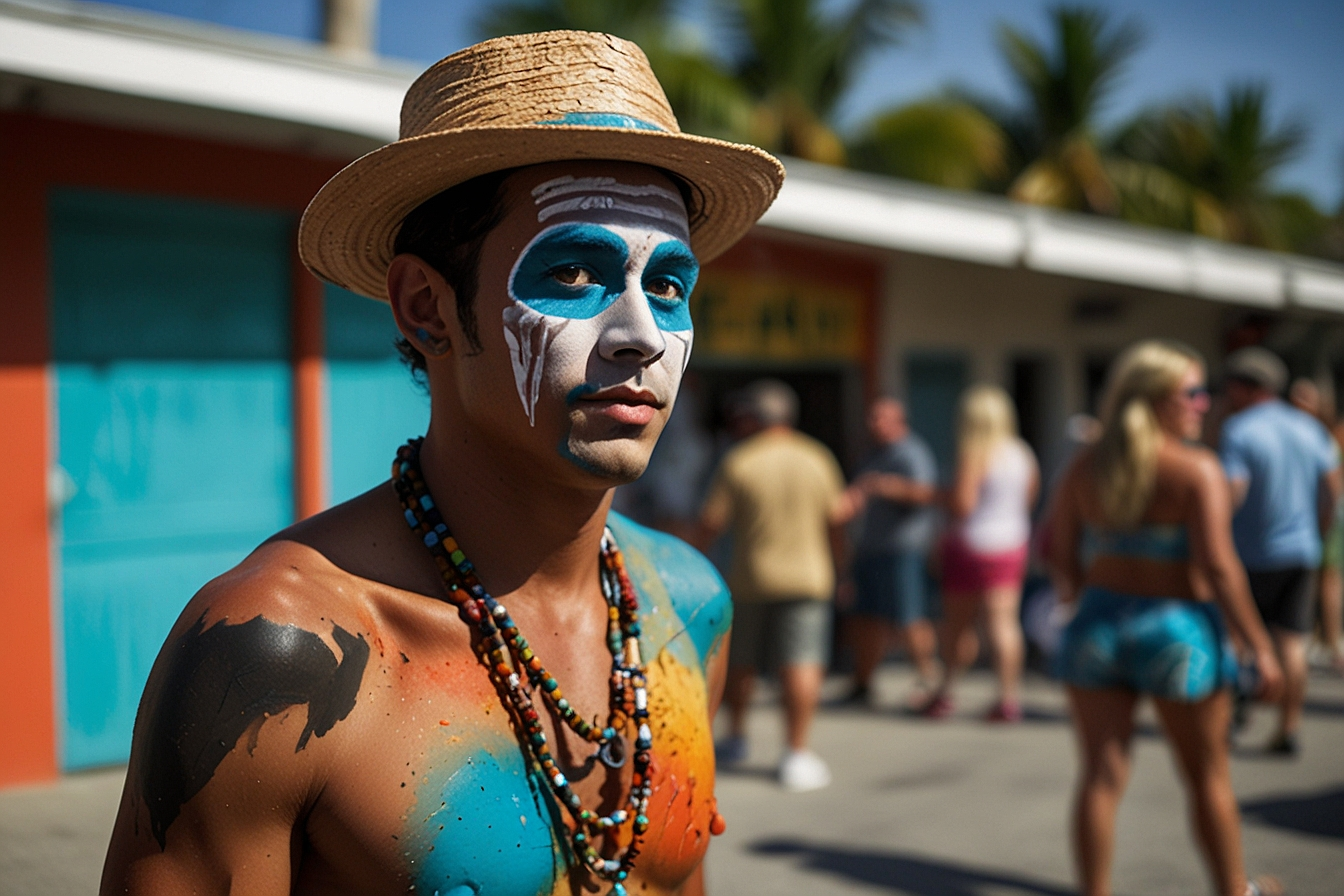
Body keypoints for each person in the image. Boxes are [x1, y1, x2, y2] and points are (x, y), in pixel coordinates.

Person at [101, 31, 785, 896]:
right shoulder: (279, 654)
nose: (642, 337)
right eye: (574, 273)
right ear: (427, 306)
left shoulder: (686, 606)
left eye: (671, 286)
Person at [1049, 340, 1284, 896]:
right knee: (1207, 778)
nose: (1204, 404)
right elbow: (1219, 566)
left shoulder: (1085, 465)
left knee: (1100, 778)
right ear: (1157, 399)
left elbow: (1059, 552)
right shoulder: (1195, 469)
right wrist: (1259, 645)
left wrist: (1090, 594)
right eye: (1194, 393)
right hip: (1180, 631)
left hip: (1098, 625)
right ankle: (1234, 890)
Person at [697, 379, 847, 792]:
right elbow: (837, 522)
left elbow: (710, 523)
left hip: (750, 577)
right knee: (802, 661)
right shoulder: (818, 458)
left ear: (754, 419)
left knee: (741, 661)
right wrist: (843, 569)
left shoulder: (739, 461)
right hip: (809, 577)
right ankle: (796, 751)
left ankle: (737, 735)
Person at [1220, 347, 1342, 755]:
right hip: (1301, 551)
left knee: (1238, 638)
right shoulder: (1310, 429)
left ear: (1245, 387)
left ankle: (1235, 717)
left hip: (1248, 554)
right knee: (1292, 643)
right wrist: (1318, 533)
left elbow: (1231, 493)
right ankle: (1288, 728)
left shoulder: (1239, 430)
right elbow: (1331, 494)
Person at [922, 385, 1038, 721]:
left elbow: (962, 504)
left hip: (971, 546)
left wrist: (936, 497)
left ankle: (945, 691)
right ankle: (1008, 697)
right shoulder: (1021, 454)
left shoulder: (974, 453)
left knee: (959, 626)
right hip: (1011, 544)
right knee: (1004, 624)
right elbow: (1028, 499)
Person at [840, 397, 940, 706]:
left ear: (899, 420)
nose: (874, 424)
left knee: (909, 618)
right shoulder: (871, 455)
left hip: (902, 550)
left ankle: (929, 681)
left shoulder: (912, 452)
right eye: (872, 418)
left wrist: (885, 486)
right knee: (867, 619)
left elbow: (926, 493)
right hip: (870, 549)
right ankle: (863, 683)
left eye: (881, 418)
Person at [1288, 377, 1344, 673]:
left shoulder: (1328, 435)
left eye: (1306, 398)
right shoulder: (1309, 433)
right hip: (1304, 517)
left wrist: (1326, 519)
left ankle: (1332, 641)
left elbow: (1333, 487)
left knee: (1328, 578)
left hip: (1325, 515)